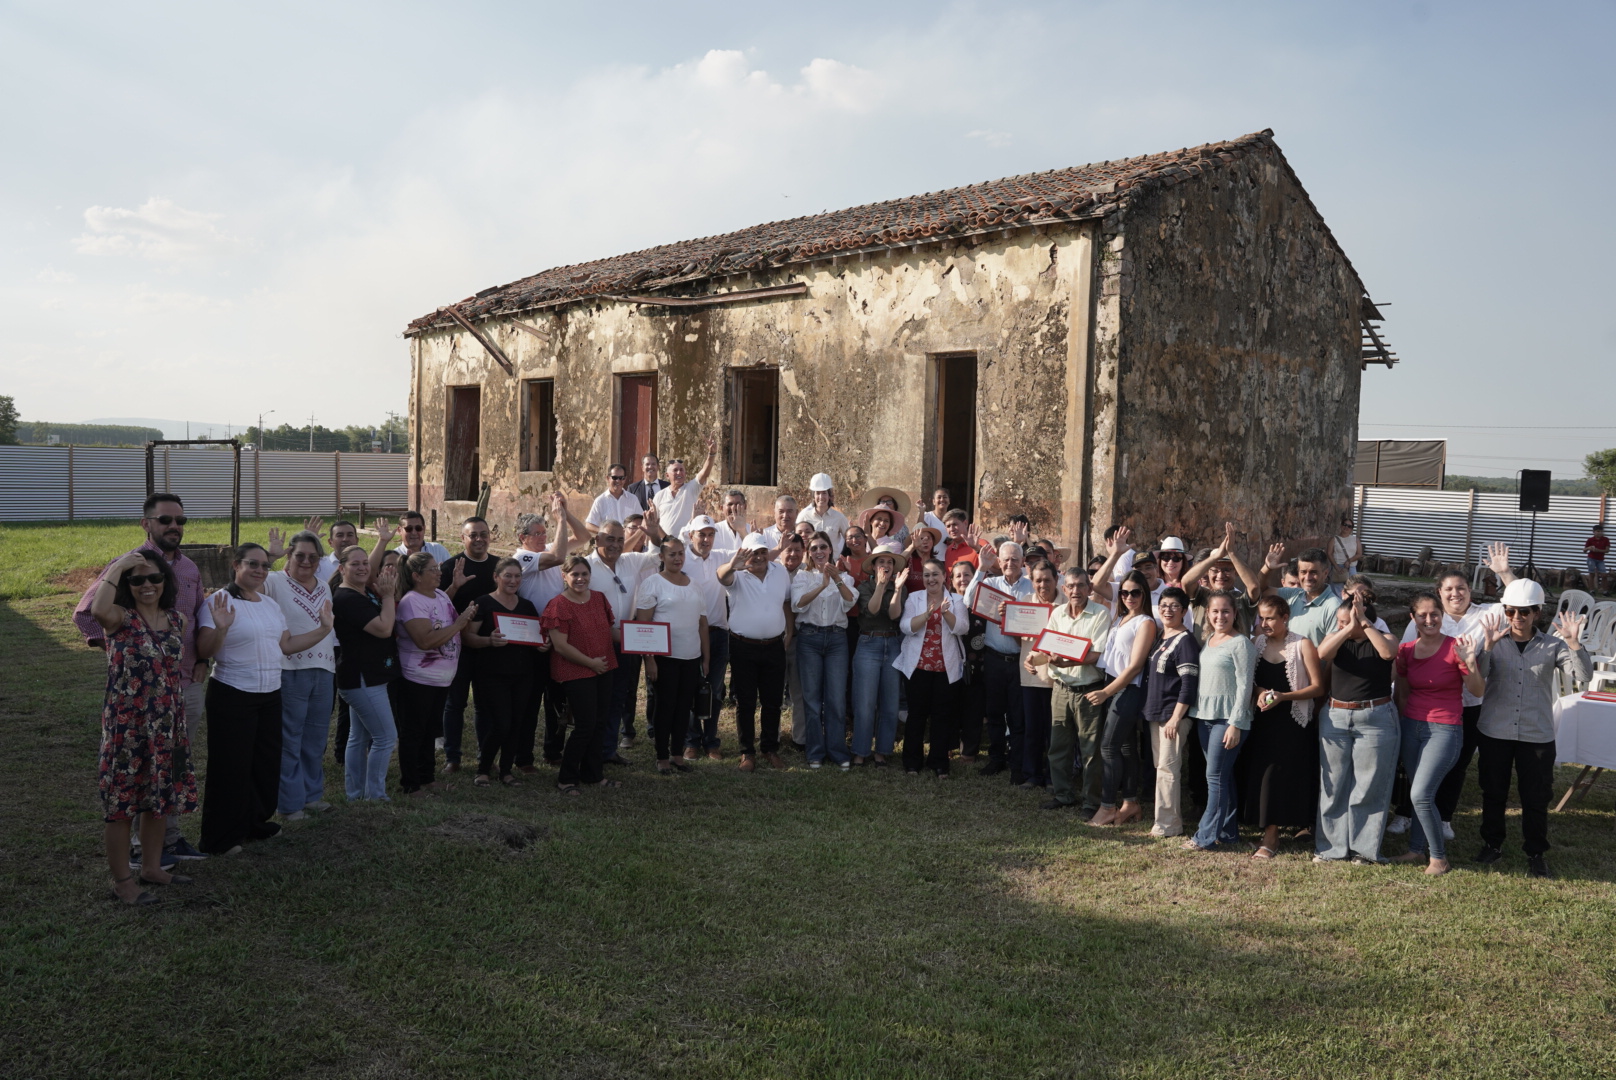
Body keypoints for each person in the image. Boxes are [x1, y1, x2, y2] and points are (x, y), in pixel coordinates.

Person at [73, 492, 209, 864]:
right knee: (137, 775)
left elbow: (198, 617)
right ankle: (138, 850)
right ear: (146, 523)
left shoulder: (189, 569)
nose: (174, 527)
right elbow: (87, 613)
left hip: (182, 687)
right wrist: (128, 654)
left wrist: (204, 658)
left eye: (180, 521)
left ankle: (169, 842)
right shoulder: (129, 564)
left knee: (170, 769)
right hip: (137, 700)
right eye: (165, 520)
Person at [196, 543, 334, 855]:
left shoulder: (270, 605)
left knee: (264, 764)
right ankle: (220, 838)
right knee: (231, 767)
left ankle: (255, 823)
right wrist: (220, 629)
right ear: (236, 565)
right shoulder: (219, 601)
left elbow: (286, 645)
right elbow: (205, 650)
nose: (259, 571)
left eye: (263, 566)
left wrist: (323, 630)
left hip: (270, 693)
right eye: (252, 564)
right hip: (233, 693)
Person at [90, 550, 199, 903]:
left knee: (159, 799)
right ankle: (123, 882)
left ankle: (152, 868)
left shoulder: (177, 620)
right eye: (136, 579)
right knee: (122, 804)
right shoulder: (120, 618)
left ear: (165, 581)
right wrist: (118, 566)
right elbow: (97, 610)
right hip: (127, 725)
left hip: (168, 723)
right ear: (126, 585)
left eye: (154, 577)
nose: (147, 585)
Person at [1388, 545, 1515, 839]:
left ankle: (1444, 816)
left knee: (1457, 763)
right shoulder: (1427, 618)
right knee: (1413, 764)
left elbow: (1518, 602)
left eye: (1461, 588)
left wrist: (1504, 572)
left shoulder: (1488, 614)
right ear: (1439, 592)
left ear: (1470, 591)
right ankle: (1406, 813)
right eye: (1448, 589)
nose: (1455, 594)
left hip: (1469, 703)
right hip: (1426, 705)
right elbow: (1405, 661)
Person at [1472, 580, 1590, 878]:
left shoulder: (1553, 645)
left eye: (1524, 612)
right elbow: (1477, 680)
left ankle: (1536, 852)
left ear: (1537, 613)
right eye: (1511, 611)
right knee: (1493, 792)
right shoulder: (1492, 642)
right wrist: (1486, 648)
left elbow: (1584, 675)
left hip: (1536, 734)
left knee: (1536, 797)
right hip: (1495, 731)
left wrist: (1574, 642)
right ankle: (1492, 844)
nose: (1517, 618)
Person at [1393, 592, 1485, 875]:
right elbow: (1403, 691)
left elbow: (1477, 690)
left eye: (1434, 614)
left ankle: (1439, 859)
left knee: (1420, 794)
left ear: (1442, 616)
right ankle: (1415, 850)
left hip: (1445, 728)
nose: (1429, 619)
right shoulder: (1406, 650)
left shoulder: (1455, 647)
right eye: (1423, 614)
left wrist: (1470, 662)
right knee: (1418, 792)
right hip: (1412, 725)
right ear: (1413, 618)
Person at [1314, 593, 1398, 864]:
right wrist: (1348, 627)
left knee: (1368, 785)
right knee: (1333, 785)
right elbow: (1323, 653)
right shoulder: (1337, 640)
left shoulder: (1385, 639)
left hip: (1375, 718)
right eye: (1339, 621)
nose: (1342, 626)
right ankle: (1331, 848)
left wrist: (1362, 621)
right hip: (1336, 716)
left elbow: (1387, 653)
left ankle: (1363, 850)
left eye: (1347, 621)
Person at [261, 530, 337, 821]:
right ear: (289, 557)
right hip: (289, 669)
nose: (306, 561)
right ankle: (289, 804)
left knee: (316, 737)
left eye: (313, 557)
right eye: (300, 556)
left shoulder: (324, 586)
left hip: (324, 669)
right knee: (290, 736)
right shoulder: (274, 582)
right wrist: (270, 556)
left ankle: (310, 795)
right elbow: (246, 584)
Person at [1243, 596, 1326, 859]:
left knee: (1278, 777)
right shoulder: (1257, 643)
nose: (1264, 623)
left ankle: (1272, 836)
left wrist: (1282, 697)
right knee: (1261, 774)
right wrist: (1258, 692)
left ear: (1285, 617)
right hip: (1262, 721)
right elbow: (1253, 681)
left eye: (1270, 618)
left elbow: (1317, 687)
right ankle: (1267, 828)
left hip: (1292, 722)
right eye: (1261, 618)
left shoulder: (1302, 644)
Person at [1026, 568, 1112, 814]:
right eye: (1071, 586)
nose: (1076, 591)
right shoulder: (1057, 614)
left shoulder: (1100, 614)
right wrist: (1032, 659)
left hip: (1089, 690)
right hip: (1061, 689)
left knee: (1090, 750)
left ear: (1089, 588)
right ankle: (1063, 795)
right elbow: (1047, 649)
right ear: (1064, 589)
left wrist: (1066, 662)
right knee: (1058, 747)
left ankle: (1091, 801)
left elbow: (1096, 655)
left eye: (1081, 586)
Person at [395, 552, 476, 796]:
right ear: (417, 576)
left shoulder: (440, 594)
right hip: (418, 678)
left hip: (441, 678)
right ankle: (410, 784)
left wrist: (454, 586)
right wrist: (460, 624)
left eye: (438, 567)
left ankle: (427, 778)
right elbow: (425, 640)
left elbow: (438, 611)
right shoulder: (411, 601)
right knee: (414, 732)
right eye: (432, 569)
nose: (439, 571)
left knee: (430, 731)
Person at [541, 555, 622, 795]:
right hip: (575, 671)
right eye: (574, 574)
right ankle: (566, 778)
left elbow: (610, 633)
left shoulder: (598, 598)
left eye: (584, 574)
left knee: (599, 723)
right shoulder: (558, 605)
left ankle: (593, 775)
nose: (580, 578)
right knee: (585, 725)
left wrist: (646, 640)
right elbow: (561, 646)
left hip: (604, 667)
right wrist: (591, 663)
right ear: (563, 576)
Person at [589, 517, 665, 762]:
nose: (615, 544)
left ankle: (608, 750)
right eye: (610, 538)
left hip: (625, 642)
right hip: (594, 643)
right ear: (597, 539)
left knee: (618, 696)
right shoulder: (585, 568)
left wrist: (654, 534)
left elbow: (658, 555)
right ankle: (591, 750)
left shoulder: (631, 562)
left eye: (620, 539)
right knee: (595, 699)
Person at [632, 536, 710, 774]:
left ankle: (678, 754)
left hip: (691, 657)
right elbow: (643, 625)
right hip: (665, 659)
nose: (677, 558)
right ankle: (662, 756)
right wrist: (650, 659)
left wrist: (705, 659)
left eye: (681, 554)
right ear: (661, 557)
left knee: (684, 707)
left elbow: (703, 624)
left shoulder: (695, 584)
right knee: (665, 707)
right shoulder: (653, 583)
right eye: (672, 554)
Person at [1085, 570, 1157, 826]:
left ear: (1144, 594)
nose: (1129, 597)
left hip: (1127, 689)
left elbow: (1135, 666)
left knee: (1108, 747)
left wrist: (1107, 692)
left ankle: (1107, 807)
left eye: (1135, 592)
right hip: (1113, 684)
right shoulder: (1121, 618)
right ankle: (1130, 803)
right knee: (1126, 748)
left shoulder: (1146, 622)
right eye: (1124, 592)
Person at [1185, 592, 1255, 851]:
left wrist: (1236, 723)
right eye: (1215, 611)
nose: (1220, 616)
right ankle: (1227, 832)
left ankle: (1204, 837)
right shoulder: (1209, 640)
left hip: (1228, 719)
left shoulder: (1241, 644)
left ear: (1235, 613)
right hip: (1205, 717)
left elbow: (1245, 686)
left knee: (1214, 777)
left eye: (1225, 611)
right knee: (1222, 777)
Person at [463, 557, 542, 787]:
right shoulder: (483, 603)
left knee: (516, 723)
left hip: (523, 674)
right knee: (501, 723)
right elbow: (467, 637)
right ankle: (483, 769)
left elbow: (535, 637)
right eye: (508, 575)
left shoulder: (527, 606)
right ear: (496, 577)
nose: (513, 580)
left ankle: (506, 771)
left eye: (517, 576)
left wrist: (541, 644)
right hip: (491, 674)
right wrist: (489, 641)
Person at [330, 546, 400, 801]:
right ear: (341, 568)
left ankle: (356, 793)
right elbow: (383, 629)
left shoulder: (360, 593)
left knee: (358, 737)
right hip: (362, 677)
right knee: (385, 736)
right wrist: (389, 596)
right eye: (354, 564)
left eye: (365, 563)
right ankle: (375, 795)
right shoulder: (348, 598)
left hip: (365, 675)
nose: (362, 567)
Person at [719, 535, 794, 772]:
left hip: (774, 646)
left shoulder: (779, 571)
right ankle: (747, 752)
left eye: (762, 552)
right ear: (744, 554)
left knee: (773, 701)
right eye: (753, 553)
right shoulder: (737, 574)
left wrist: (788, 633)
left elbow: (786, 602)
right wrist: (733, 564)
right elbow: (721, 575)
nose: (759, 557)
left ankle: (769, 749)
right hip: (743, 647)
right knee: (746, 702)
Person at [511, 497, 577, 769]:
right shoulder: (522, 557)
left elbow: (584, 536)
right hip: (531, 640)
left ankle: (553, 752)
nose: (543, 537)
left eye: (544, 532)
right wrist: (560, 521)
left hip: (557, 638)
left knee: (556, 700)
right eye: (537, 534)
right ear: (522, 537)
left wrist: (566, 514)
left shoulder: (549, 547)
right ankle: (523, 756)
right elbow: (560, 557)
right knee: (529, 701)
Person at [966, 541, 1035, 779]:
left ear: (1022, 561)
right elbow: (968, 600)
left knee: (1018, 716)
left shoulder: (1031, 587)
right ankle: (996, 759)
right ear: (999, 561)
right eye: (1005, 559)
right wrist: (982, 568)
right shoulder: (990, 583)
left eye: (1015, 559)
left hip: (1019, 660)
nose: (1009, 564)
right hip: (994, 658)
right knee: (994, 713)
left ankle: (1017, 763)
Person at [895, 559, 970, 777]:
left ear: (944, 576)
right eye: (926, 575)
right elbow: (905, 627)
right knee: (916, 715)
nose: (931, 579)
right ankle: (912, 763)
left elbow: (962, 628)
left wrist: (945, 612)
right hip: (918, 666)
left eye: (935, 574)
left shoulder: (956, 600)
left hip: (946, 668)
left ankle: (939, 763)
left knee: (942, 716)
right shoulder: (914, 598)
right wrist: (927, 615)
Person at [791, 531, 857, 770]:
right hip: (809, 639)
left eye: (823, 547)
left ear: (831, 550)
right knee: (811, 698)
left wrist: (836, 579)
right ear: (810, 553)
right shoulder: (802, 576)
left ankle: (837, 751)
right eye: (815, 548)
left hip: (837, 640)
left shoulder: (845, 578)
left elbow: (850, 602)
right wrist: (822, 585)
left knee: (836, 699)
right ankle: (815, 751)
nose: (819, 551)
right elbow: (797, 604)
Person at [1140, 586, 1199, 837]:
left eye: (1174, 606)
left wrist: (1176, 717)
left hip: (1173, 716)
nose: (1168, 610)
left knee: (1168, 768)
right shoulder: (1161, 638)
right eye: (1163, 605)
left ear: (1184, 611)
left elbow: (1189, 683)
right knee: (1161, 767)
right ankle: (1164, 819)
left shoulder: (1185, 641)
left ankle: (1168, 825)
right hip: (1156, 714)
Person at [680, 515, 735, 761]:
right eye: (701, 534)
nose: (706, 539)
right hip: (690, 633)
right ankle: (691, 741)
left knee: (715, 689)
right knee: (691, 687)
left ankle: (711, 741)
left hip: (718, 633)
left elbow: (749, 556)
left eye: (710, 534)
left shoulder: (721, 556)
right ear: (691, 535)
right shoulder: (681, 559)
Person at [851, 540, 907, 767]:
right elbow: (872, 611)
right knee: (865, 703)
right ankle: (861, 751)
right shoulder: (864, 587)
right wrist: (881, 586)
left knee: (890, 703)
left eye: (889, 562)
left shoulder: (899, 586)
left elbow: (894, 615)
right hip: (868, 644)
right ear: (873, 566)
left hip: (893, 644)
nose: (885, 565)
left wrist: (898, 588)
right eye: (881, 561)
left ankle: (882, 751)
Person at [1016, 561, 1062, 790]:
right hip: (1031, 675)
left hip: (1059, 676)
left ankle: (1053, 777)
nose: (1043, 585)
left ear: (1056, 579)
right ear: (1032, 582)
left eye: (1047, 580)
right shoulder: (1023, 604)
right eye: (1038, 580)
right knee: (1032, 728)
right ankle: (1032, 775)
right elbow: (1017, 638)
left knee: (1055, 732)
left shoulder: (1067, 605)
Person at [1182, 522, 1263, 641]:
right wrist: (1215, 557)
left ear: (1236, 572)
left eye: (1227, 570)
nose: (1220, 575)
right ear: (1207, 572)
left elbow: (1254, 587)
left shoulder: (1242, 600)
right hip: (1202, 657)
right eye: (1214, 570)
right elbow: (1186, 582)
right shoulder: (1201, 596)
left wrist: (1232, 553)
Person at [951, 558, 990, 763]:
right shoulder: (946, 600)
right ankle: (948, 746)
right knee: (948, 705)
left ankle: (968, 752)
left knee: (973, 709)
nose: (963, 579)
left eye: (967, 575)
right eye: (958, 576)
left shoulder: (984, 604)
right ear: (951, 580)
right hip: (950, 662)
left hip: (977, 665)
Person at [1264, 545, 1340, 644]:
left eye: (1313, 572)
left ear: (1325, 573)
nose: (1307, 577)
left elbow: (1330, 651)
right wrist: (1267, 568)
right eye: (1303, 572)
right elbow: (1262, 590)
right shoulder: (1293, 594)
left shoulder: (1334, 607)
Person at [651, 436, 718, 538]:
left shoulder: (691, 488)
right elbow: (654, 523)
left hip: (686, 543)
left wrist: (711, 454)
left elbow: (704, 474)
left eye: (681, 470)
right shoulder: (660, 495)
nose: (679, 473)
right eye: (675, 470)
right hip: (664, 545)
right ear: (667, 475)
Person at [798, 473, 850, 556]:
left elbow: (849, 540)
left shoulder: (839, 517)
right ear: (813, 496)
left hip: (832, 565)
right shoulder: (804, 516)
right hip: (810, 565)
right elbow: (796, 540)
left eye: (824, 493)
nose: (821, 497)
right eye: (818, 493)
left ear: (829, 495)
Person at [586, 464, 644, 536]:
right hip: (608, 544)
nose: (618, 481)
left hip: (629, 543)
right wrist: (606, 533)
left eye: (621, 478)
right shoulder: (600, 501)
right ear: (608, 478)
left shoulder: (633, 499)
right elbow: (589, 525)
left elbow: (642, 521)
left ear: (625, 479)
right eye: (614, 477)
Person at [1332, 515, 1363, 582]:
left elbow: (1359, 553)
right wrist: (1336, 567)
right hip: (1338, 567)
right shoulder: (1334, 539)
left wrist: (1349, 561)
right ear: (1341, 525)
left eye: (1349, 526)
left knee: (1353, 588)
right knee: (1337, 590)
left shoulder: (1355, 539)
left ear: (1351, 529)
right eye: (1345, 524)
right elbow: (1329, 553)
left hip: (1351, 567)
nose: (1346, 527)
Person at [1585, 524, 1610, 595]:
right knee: (1592, 574)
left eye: (1601, 531)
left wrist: (1597, 550)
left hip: (1600, 560)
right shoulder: (1590, 540)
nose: (1599, 533)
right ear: (1594, 532)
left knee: (1604, 575)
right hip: (1591, 558)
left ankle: (1605, 591)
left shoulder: (1606, 539)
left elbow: (1607, 550)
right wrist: (1588, 548)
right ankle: (1591, 590)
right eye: (1598, 531)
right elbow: (1584, 550)